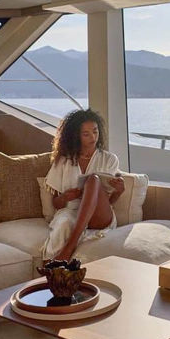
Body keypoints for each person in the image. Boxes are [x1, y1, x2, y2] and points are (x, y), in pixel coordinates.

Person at [42, 109, 125, 261]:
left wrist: (118, 192)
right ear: (76, 136)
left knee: (93, 180)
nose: (93, 137)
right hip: (72, 212)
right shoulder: (64, 161)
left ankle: (69, 247)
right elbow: (56, 203)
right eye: (86, 134)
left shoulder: (109, 159)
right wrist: (65, 197)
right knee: (64, 223)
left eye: (95, 131)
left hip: (99, 217)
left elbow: (108, 202)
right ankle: (52, 266)